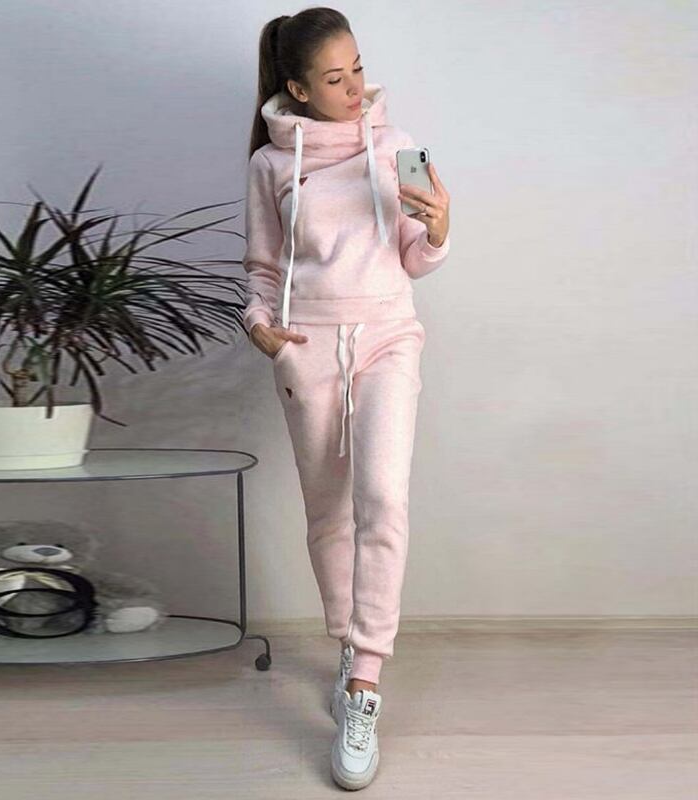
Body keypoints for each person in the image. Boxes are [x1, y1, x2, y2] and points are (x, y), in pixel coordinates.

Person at [242, 8, 451, 790]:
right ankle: (346, 641)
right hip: (305, 344)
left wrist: (439, 229)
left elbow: (415, 258)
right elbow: (261, 269)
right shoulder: (271, 164)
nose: (356, 87)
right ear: (297, 88)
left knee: (383, 498)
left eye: (358, 68)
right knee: (328, 511)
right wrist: (260, 327)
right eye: (335, 78)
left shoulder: (399, 147)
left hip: (388, 334)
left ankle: (365, 681)